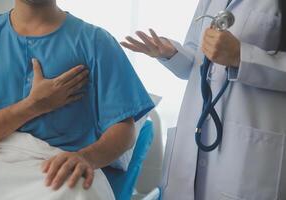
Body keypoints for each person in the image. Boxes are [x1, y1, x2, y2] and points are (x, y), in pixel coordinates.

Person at [0, 0, 154, 199]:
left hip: (58, 169)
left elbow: (123, 130)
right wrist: (32, 106)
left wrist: (86, 158)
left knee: (74, 190)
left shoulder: (96, 42)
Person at [121, 0, 286, 199]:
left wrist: (241, 56)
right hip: (194, 145)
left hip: (249, 154)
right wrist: (170, 53)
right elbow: (198, 62)